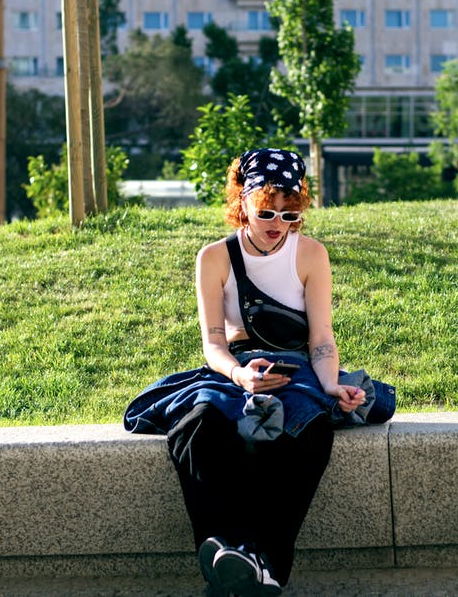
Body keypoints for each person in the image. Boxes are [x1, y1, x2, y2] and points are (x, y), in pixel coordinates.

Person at [124, 148, 394, 596]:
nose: (277, 223)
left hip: (297, 368)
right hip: (235, 367)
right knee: (198, 422)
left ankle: (266, 566)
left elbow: (321, 339)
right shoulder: (214, 258)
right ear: (242, 202)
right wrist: (241, 377)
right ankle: (226, 554)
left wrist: (331, 384)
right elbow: (213, 344)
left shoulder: (311, 255)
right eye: (266, 209)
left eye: (289, 213)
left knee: (308, 430)